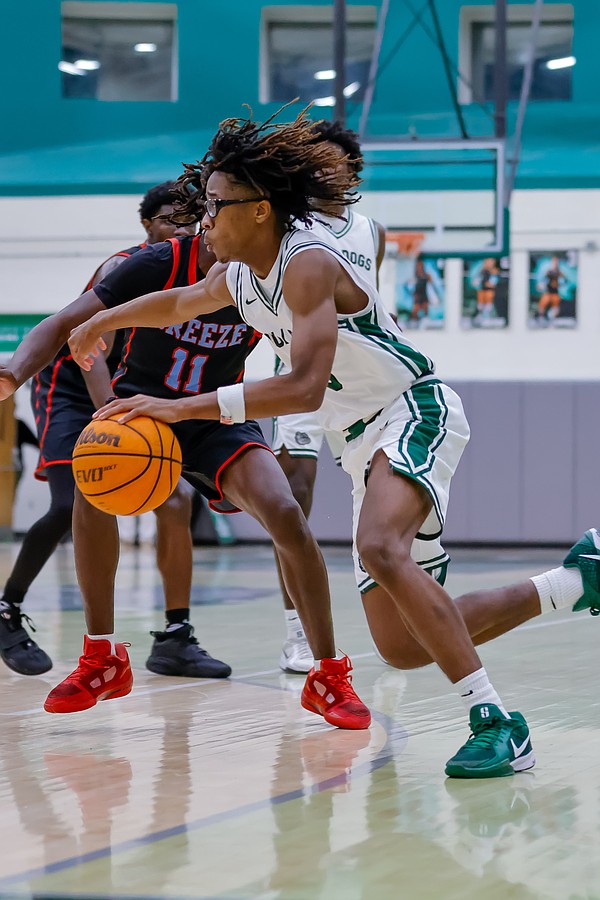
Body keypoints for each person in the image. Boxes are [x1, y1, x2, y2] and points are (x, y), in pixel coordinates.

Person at [69, 107, 600, 777]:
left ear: (259, 210)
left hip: (410, 409)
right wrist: (104, 320)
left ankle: (496, 722)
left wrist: (180, 408)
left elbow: (304, 388)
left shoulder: (308, 264)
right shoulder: (238, 274)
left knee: (379, 547)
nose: (205, 222)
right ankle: (575, 581)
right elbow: (180, 303)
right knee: (404, 644)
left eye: (216, 207)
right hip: (358, 445)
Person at [0, 172, 369, 730]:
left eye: (216, 209)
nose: (207, 221)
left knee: (284, 510)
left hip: (215, 413)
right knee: (88, 489)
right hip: (144, 410)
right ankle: (101, 657)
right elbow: (61, 324)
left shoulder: (275, 271)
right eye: (207, 210)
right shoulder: (157, 263)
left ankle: (327, 673)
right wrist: (12, 373)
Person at [0, 182, 232, 680]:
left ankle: (175, 636)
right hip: (74, 383)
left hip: (131, 388)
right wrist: (109, 412)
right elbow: (91, 352)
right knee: (73, 501)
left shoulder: (207, 271)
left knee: (175, 500)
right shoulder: (125, 267)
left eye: (190, 221)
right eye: (170, 219)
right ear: (147, 224)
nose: (182, 229)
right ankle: (7, 609)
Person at [274, 120, 448, 674]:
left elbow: (370, 301)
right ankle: (297, 633)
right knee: (292, 497)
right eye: (316, 163)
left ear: (353, 170)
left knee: (382, 495)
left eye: (336, 162)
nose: (326, 170)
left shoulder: (372, 231)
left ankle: (415, 578)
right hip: (299, 375)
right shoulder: (290, 227)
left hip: (362, 382)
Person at [535, 255, 565, 321]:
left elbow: (564, 281)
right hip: (548, 292)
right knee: (543, 303)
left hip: (555, 292)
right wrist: (541, 285)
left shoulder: (560, 273)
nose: (555, 264)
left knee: (555, 306)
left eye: (556, 262)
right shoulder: (548, 272)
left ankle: (553, 318)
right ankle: (540, 317)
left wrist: (560, 284)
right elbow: (543, 281)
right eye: (554, 262)